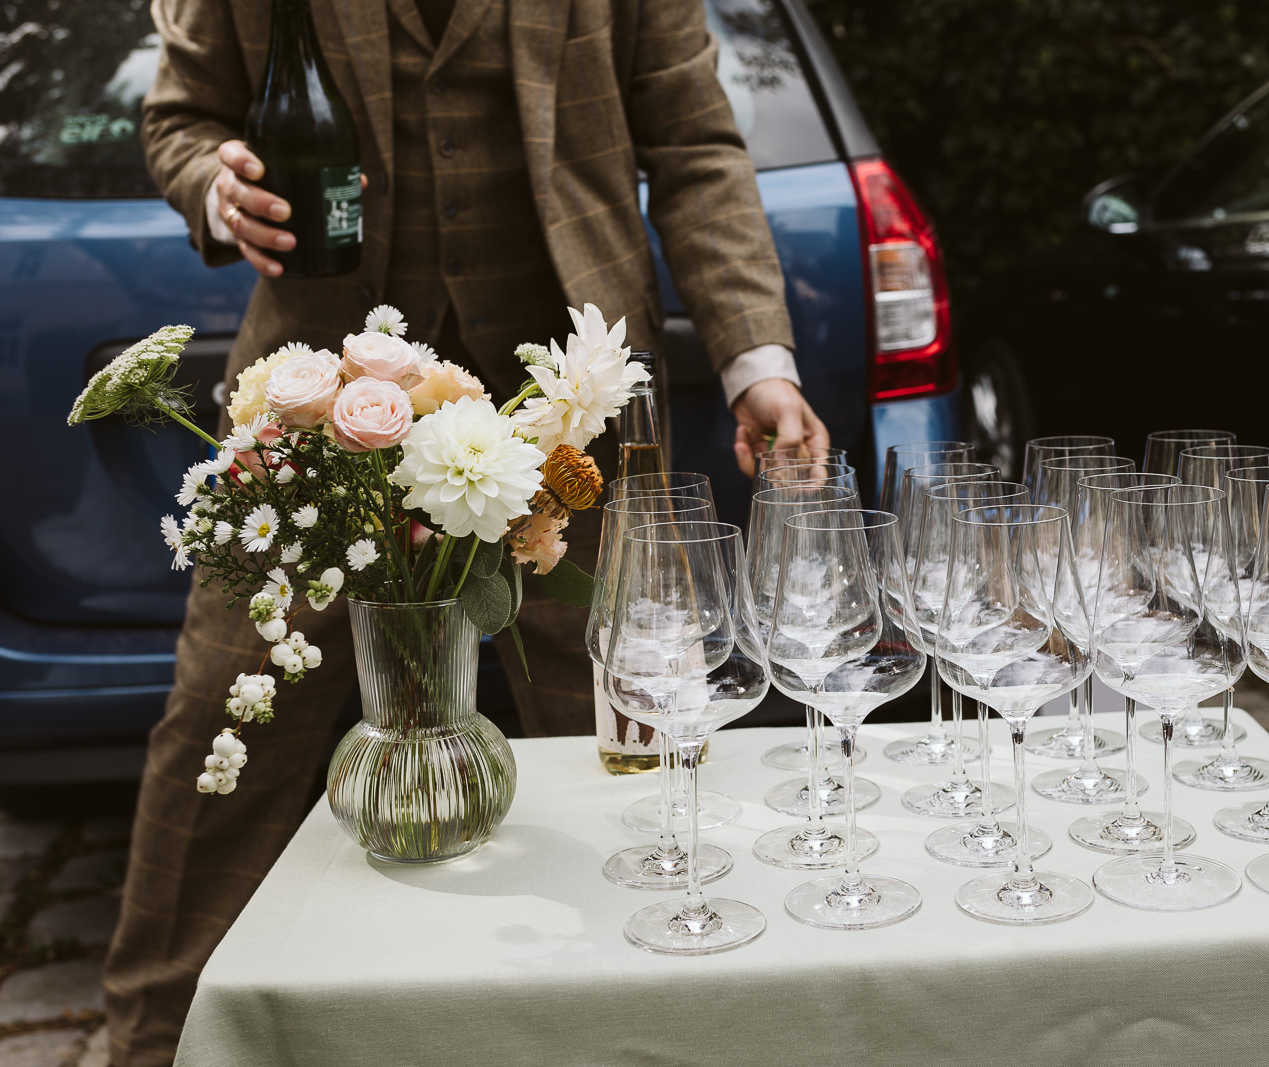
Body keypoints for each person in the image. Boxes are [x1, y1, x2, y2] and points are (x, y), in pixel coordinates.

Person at [104, 0, 829, 1063]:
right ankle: (153, 1045)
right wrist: (215, 187)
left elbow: (694, 147)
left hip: (562, 418)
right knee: (224, 734)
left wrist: (758, 363)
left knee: (626, 745)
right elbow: (180, 116)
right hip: (315, 409)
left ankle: (645, 1033)